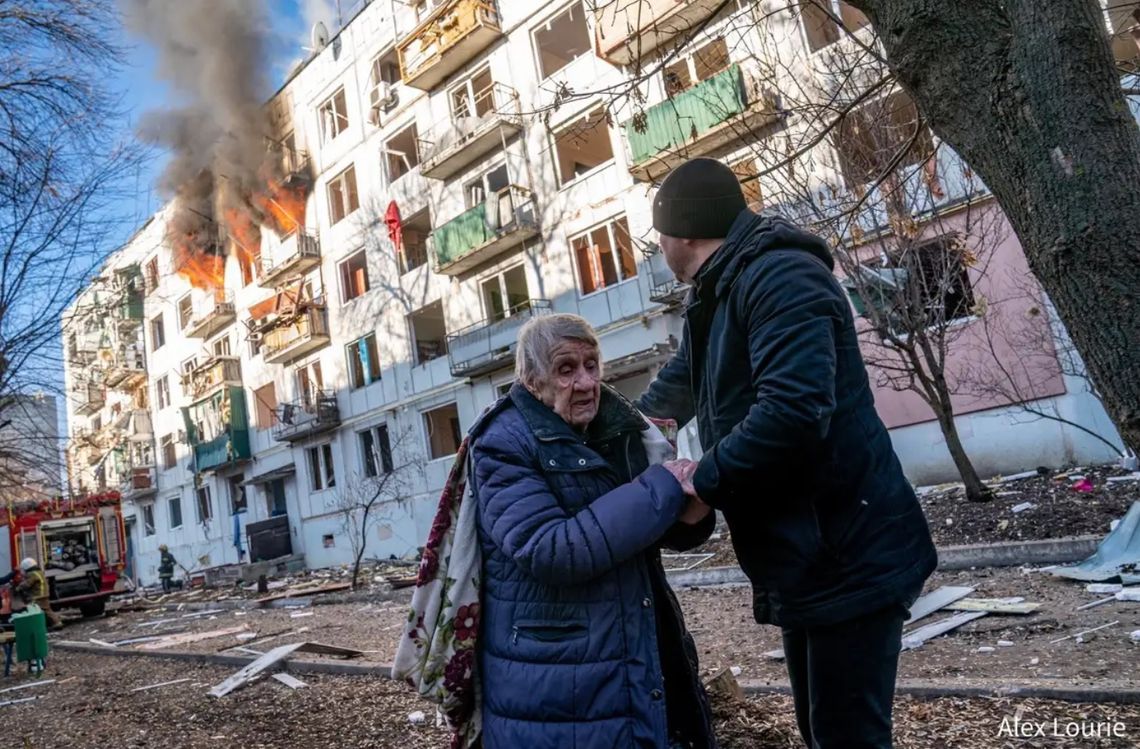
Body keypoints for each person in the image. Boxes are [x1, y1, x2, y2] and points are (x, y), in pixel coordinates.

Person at [637, 158, 938, 749]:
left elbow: (794, 412)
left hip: (847, 550)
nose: (661, 248)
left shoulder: (781, 278)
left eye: (660, 236)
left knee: (847, 736)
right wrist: (621, 434)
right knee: (822, 730)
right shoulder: (718, 290)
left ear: (686, 232)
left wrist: (702, 480)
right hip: (806, 557)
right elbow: (677, 386)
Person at [468, 313, 717, 749]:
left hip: (627, 655)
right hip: (555, 678)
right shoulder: (501, 442)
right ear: (531, 380)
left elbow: (640, 529)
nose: (585, 383)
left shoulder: (616, 426)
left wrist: (690, 514)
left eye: (591, 365)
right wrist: (663, 485)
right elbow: (550, 550)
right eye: (566, 370)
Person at [15, 558, 63, 629]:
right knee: (46, 610)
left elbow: (27, 584)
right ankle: (53, 623)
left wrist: (18, 588)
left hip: (38, 596)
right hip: (43, 594)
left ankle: (56, 623)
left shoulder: (32, 574)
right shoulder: (38, 572)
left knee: (38, 610)